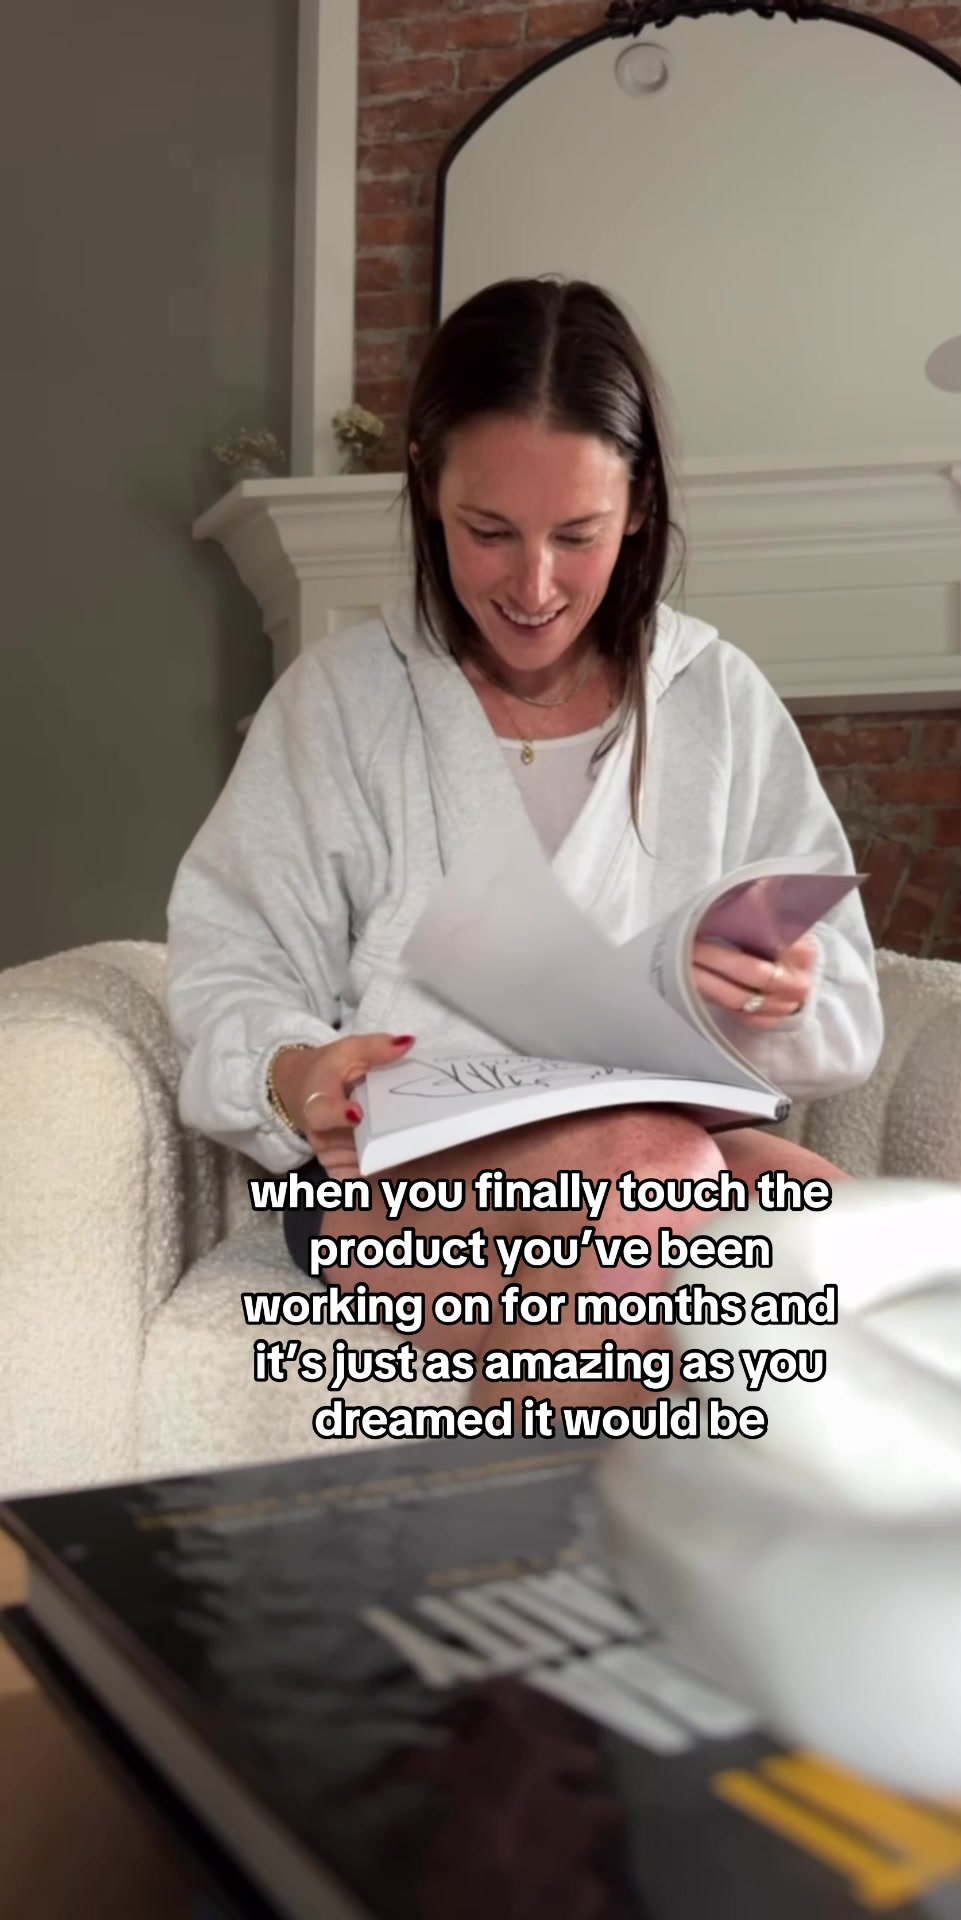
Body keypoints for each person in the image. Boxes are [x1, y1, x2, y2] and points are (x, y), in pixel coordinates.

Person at [166, 276, 883, 1412]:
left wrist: (774, 996)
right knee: (652, 1168)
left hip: (665, 1136)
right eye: (488, 532)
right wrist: (297, 1072)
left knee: (800, 1210)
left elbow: (842, 1004)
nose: (534, 585)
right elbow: (230, 966)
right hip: (393, 1169)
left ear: (638, 505)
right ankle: (594, 1508)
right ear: (425, 486)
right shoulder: (342, 703)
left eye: (577, 535)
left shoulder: (718, 700)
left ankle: (548, 1487)